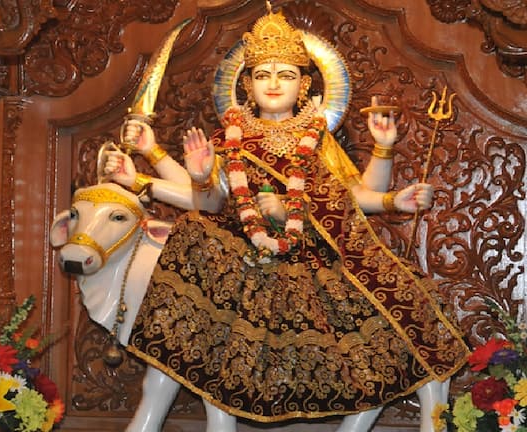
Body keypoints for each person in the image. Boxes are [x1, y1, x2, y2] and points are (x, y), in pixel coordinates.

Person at [103, 4, 469, 431]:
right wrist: (175, 169)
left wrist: (388, 183)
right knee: (194, 239)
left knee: (393, 309)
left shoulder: (318, 138)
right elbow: (210, 200)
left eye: (286, 75)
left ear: (305, 86)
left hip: (313, 257)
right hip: (240, 256)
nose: (274, 84)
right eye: (263, 75)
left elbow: (351, 196)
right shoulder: (230, 139)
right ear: (246, 86)